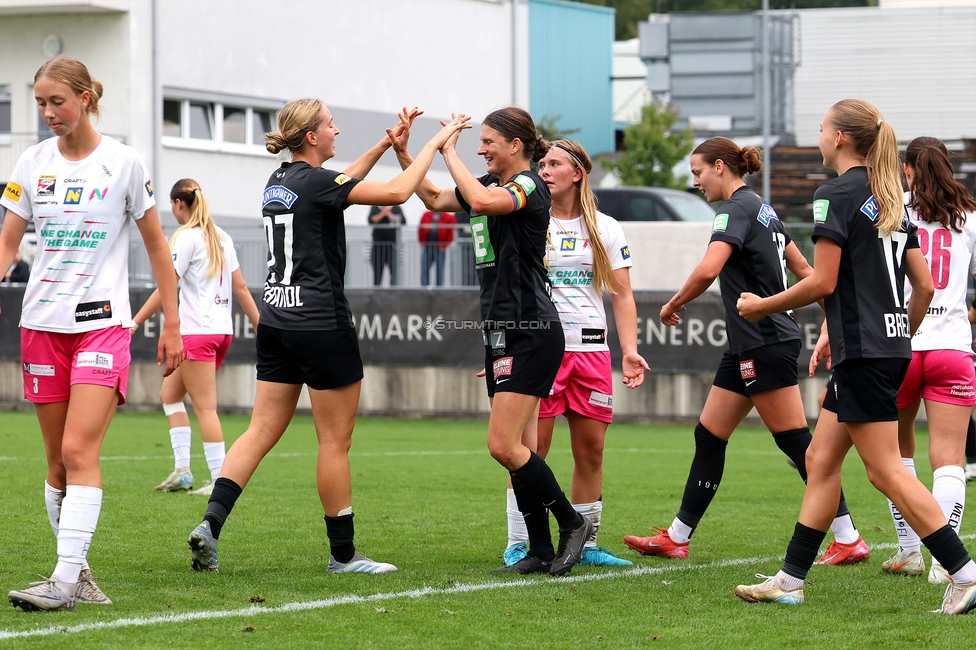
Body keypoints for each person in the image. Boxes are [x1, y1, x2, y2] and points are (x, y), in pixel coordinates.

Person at [186, 99, 470, 574]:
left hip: (277, 320)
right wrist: (436, 144)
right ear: (312, 137)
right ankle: (343, 556)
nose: (337, 130)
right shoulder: (318, 182)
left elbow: (340, 185)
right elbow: (400, 193)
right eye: (331, 125)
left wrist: (385, 144)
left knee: (259, 431)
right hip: (320, 323)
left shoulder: (280, 181)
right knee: (334, 443)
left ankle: (210, 525)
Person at [735, 99, 976, 614]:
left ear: (841, 137)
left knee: (886, 471)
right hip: (884, 348)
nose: (819, 137)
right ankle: (791, 579)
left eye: (822, 129)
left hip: (865, 352)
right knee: (821, 460)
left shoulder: (834, 195)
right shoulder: (890, 196)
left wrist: (762, 307)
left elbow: (821, 281)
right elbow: (926, 286)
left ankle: (964, 572)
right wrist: (895, 335)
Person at [620, 137, 867, 564]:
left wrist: (673, 304)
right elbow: (805, 269)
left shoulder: (734, 210)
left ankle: (848, 537)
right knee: (709, 436)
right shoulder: (763, 208)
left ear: (720, 167)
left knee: (798, 444)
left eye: (697, 173)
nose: (695, 182)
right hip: (749, 343)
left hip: (764, 339)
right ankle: (678, 536)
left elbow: (708, 268)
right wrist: (833, 318)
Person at [0, 56, 183, 611]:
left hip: (102, 328)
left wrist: (172, 322)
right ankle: (77, 574)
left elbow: (157, 247)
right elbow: (7, 244)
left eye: (57, 101)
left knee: (80, 449)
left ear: (86, 97)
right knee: (57, 461)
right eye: (40, 103)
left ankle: (60, 582)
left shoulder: (124, 163)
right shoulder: (30, 164)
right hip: (40, 329)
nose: (48, 112)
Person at [391, 106, 593, 576]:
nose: (480, 149)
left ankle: (571, 522)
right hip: (502, 330)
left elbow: (478, 201)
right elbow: (437, 198)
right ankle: (540, 550)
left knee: (503, 445)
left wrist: (447, 150)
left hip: (531, 329)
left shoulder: (528, 186)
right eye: (476, 142)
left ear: (515, 146)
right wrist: (406, 154)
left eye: (487, 142)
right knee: (518, 450)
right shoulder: (492, 188)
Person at [500, 140, 649, 569]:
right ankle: (521, 541)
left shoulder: (606, 226)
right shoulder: (530, 220)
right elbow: (508, 289)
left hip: (592, 353)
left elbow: (622, 296)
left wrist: (631, 350)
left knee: (592, 453)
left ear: (578, 172)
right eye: (542, 163)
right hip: (541, 349)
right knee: (529, 450)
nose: (544, 170)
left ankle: (586, 543)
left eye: (554, 164)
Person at [879, 137, 976, 584]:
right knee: (950, 460)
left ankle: (909, 552)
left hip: (900, 343)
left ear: (908, 169)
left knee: (896, 457)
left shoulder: (893, 205)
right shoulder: (970, 215)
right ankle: (945, 563)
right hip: (952, 349)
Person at [131, 179, 260, 497]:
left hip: (196, 332)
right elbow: (240, 287)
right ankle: (182, 471)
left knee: (205, 407)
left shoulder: (186, 237)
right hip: (220, 332)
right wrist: (262, 327)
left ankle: (219, 480)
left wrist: (134, 322)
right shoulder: (222, 236)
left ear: (178, 204)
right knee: (169, 395)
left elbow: (167, 286)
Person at [418, 209, 456, 286]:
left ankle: (439, 290)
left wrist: (445, 245)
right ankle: (424, 290)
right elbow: (420, 229)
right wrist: (422, 242)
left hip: (440, 249)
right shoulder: (426, 215)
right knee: (424, 269)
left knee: (440, 271)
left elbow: (451, 233)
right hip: (427, 247)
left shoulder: (448, 217)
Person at [369, 204, 404, 286]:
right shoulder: (375, 208)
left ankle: (394, 292)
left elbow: (401, 220)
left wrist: (390, 215)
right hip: (378, 247)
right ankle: (376, 292)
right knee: (377, 272)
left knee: (394, 271)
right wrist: (382, 214)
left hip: (392, 247)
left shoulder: (396, 208)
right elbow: (371, 220)